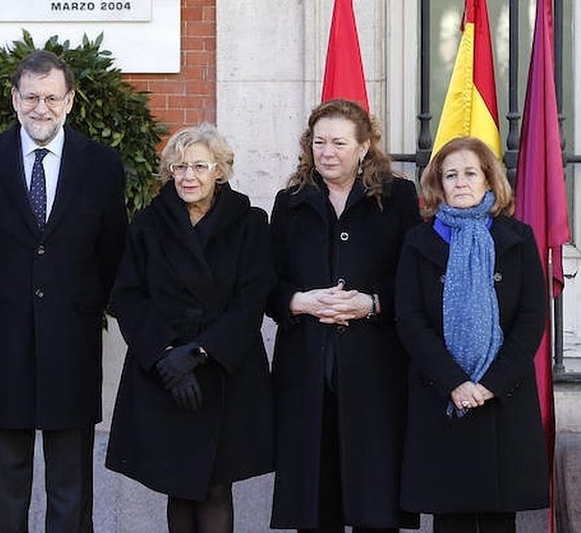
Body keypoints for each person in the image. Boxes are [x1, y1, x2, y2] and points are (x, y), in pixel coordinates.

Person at [0, 49, 128, 532]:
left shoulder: (102, 165)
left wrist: (89, 307)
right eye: (31, 97)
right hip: (0, 341)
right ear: (14, 99)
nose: (41, 108)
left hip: (72, 342)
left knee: (71, 484)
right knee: (5, 484)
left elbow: (114, 252)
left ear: (69, 100)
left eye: (51, 97)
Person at [105, 125, 274, 533]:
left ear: (220, 170)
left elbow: (253, 298)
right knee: (177, 487)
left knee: (216, 487)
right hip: (165, 374)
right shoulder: (148, 223)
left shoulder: (250, 222)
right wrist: (166, 356)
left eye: (199, 165)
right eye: (179, 167)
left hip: (223, 372)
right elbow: (127, 296)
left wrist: (199, 353)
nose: (188, 176)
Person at [267, 99, 421, 532]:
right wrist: (299, 301)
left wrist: (372, 303)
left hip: (376, 371)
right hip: (307, 370)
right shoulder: (290, 201)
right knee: (314, 508)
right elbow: (267, 281)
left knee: (374, 505)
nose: (327, 152)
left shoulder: (398, 198)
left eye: (338, 142)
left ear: (364, 146)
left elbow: (416, 281)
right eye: (319, 142)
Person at [395, 137, 549, 533]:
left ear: (488, 180)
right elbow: (410, 319)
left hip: (502, 398)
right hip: (442, 397)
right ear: (438, 185)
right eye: (450, 175)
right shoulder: (419, 242)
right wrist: (455, 382)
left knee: (500, 518)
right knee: (451, 516)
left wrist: (491, 384)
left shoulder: (518, 237)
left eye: (469, 173)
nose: (461, 182)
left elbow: (532, 317)